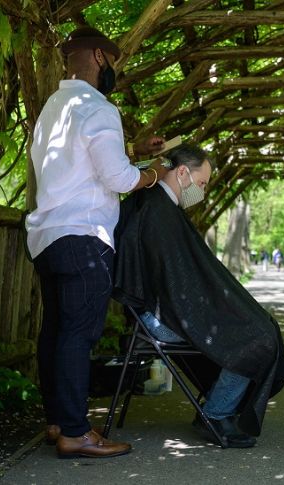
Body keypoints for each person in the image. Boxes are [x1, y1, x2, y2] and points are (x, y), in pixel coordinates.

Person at [25, 26, 172, 459]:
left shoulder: (53, 107)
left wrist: (131, 147)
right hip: (85, 236)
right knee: (78, 333)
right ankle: (75, 432)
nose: (116, 71)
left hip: (47, 236)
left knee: (54, 330)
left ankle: (56, 421)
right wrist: (154, 172)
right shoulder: (99, 107)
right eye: (115, 62)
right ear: (100, 58)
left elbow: (79, 161)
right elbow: (118, 178)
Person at [112, 144, 284, 448]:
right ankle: (217, 413)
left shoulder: (159, 206)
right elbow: (173, 286)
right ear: (182, 172)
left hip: (163, 311)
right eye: (203, 183)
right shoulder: (157, 212)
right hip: (158, 320)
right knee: (257, 336)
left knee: (258, 327)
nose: (203, 192)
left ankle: (220, 405)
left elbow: (181, 281)